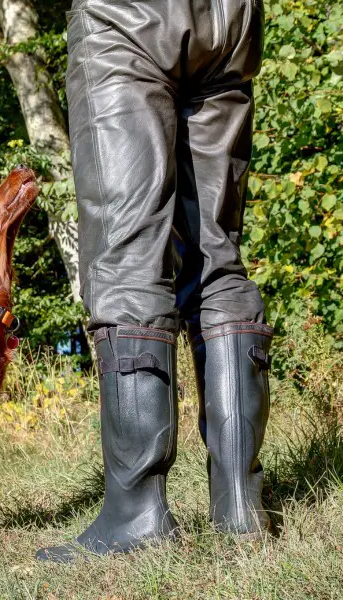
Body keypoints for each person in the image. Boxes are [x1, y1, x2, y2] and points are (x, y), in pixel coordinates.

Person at [37, 0, 273, 563]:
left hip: (128, 16)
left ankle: (137, 513)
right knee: (217, 254)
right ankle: (239, 506)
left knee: (127, 256)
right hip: (231, 18)